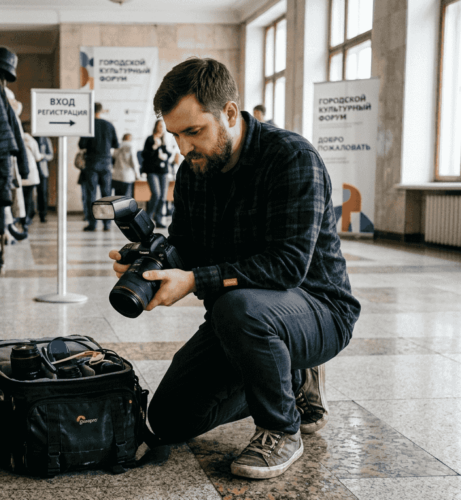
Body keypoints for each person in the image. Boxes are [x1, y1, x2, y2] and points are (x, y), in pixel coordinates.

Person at [108, 58, 360, 479]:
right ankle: (290, 378)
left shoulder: (292, 158)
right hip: (240, 320)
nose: (184, 148)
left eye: (194, 131)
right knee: (170, 420)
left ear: (228, 113)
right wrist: (153, 266)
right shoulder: (193, 171)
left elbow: (287, 266)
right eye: (175, 135)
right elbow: (186, 246)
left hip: (318, 309)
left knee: (237, 308)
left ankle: (281, 428)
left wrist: (194, 281)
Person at [78, 102, 119, 231]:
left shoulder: (88, 125)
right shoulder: (109, 125)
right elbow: (116, 144)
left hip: (91, 163)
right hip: (106, 163)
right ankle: (107, 224)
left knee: (91, 194)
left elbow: (82, 144)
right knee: (106, 195)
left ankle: (92, 223)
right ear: (101, 111)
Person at [142, 120, 176, 228]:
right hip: (152, 171)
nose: (162, 128)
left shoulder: (163, 140)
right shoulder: (150, 139)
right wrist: (154, 148)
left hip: (163, 172)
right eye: (160, 126)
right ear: (156, 126)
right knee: (156, 195)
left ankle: (159, 218)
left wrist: (166, 154)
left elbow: (168, 155)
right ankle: (148, 218)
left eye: (163, 126)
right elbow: (145, 154)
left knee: (162, 197)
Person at [111, 134, 143, 198]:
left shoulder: (117, 147)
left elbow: (113, 160)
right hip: (127, 177)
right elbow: (134, 162)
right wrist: (138, 175)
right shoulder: (131, 147)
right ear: (130, 139)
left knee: (117, 199)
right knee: (126, 200)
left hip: (116, 176)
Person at [35, 136, 54, 222]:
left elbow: (51, 155)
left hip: (42, 170)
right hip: (31, 169)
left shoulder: (46, 139)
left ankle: (42, 215)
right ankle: (29, 215)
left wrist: (42, 156)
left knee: (42, 193)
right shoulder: (31, 138)